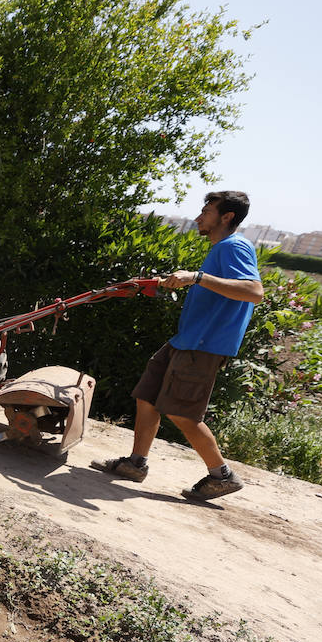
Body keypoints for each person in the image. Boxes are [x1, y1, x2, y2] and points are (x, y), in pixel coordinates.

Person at [92, 190, 264, 501]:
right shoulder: (220, 249)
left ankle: (222, 476)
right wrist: (162, 283)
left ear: (227, 217)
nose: (199, 217)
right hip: (185, 341)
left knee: (183, 413)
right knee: (147, 396)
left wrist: (196, 277)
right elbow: (214, 288)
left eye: (207, 211)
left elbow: (253, 291)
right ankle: (136, 464)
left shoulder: (234, 246)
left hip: (204, 345)